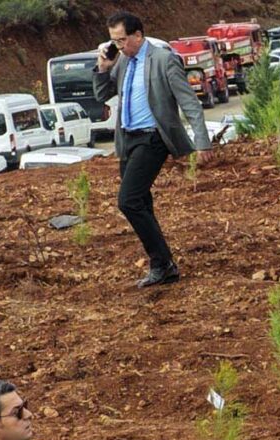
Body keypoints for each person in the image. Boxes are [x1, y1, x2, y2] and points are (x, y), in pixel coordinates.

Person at [92, 12, 207, 287]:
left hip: (153, 138)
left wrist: (202, 141)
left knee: (128, 201)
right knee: (141, 202)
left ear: (138, 35)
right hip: (127, 139)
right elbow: (102, 95)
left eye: (122, 40)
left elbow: (189, 102)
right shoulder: (122, 62)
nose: (118, 46)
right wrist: (103, 68)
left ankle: (162, 262)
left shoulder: (164, 60)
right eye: (114, 41)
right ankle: (165, 266)